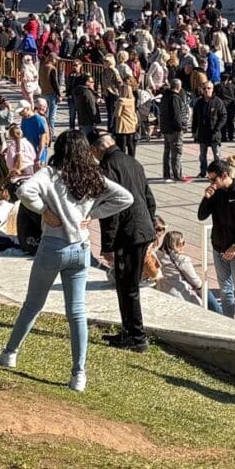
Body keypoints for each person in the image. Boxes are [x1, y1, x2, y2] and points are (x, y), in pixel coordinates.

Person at [0, 131, 133, 392]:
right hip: (81, 249)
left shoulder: (50, 174)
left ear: (59, 149)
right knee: (77, 313)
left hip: (53, 246)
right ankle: (78, 374)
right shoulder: (92, 176)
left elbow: (24, 190)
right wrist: (93, 213)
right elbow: (125, 198)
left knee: (33, 305)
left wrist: (45, 210)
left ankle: (10, 352)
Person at [93, 130, 158, 352]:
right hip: (142, 229)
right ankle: (129, 331)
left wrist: (108, 245)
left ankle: (137, 337)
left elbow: (111, 210)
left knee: (127, 286)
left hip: (127, 233)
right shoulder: (132, 161)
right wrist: (151, 227)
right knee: (127, 284)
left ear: (98, 148)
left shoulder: (108, 166)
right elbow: (149, 197)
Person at [197, 157, 235, 325]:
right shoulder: (215, 192)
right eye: (209, 179)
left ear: (224, 175)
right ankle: (228, 322)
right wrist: (206, 197)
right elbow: (201, 216)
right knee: (225, 289)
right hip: (219, 246)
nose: (211, 182)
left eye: (213, 178)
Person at [156, 230, 222, 312]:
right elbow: (195, 281)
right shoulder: (182, 260)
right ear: (177, 245)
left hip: (163, 292)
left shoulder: (157, 255)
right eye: (183, 243)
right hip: (181, 295)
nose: (184, 245)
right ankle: (223, 315)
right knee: (205, 291)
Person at [192, 80, 226, 180]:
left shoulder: (217, 101)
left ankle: (219, 173)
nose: (207, 90)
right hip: (203, 133)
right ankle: (203, 172)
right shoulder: (199, 102)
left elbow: (223, 116)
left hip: (214, 133)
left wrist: (217, 128)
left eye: (209, 88)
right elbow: (195, 118)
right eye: (204, 88)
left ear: (212, 89)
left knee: (217, 155)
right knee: (202, 155)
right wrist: (194, 131)